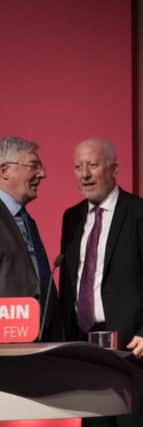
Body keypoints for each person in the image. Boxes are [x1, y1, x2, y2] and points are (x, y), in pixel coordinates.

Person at [59, 138, 143, 427]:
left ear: (114, 169)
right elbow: (69, 284)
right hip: (85, 351)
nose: (85, 174)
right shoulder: (71, 218)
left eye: (93, 165)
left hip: (133, 350)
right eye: (78, 166)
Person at [0, 136, 58, 340]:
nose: (42, 174)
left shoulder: (26, 220)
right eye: (34, 166)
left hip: (37, 345)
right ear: (5, 170)